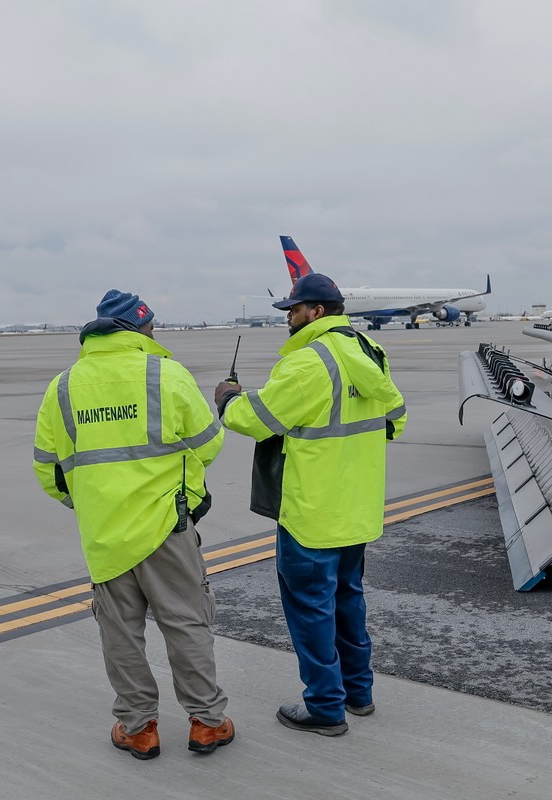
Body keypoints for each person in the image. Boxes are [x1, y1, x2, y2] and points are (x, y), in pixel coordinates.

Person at [33, 289, 234, 760]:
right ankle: (207, 722)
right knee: (186, 623)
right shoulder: (164, 373)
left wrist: (91, 503)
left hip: (104, 535)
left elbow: (48, 470)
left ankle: (139, 728)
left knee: (120, 634)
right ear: (140, 329)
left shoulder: (62, 387)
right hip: (167, 524)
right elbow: (209, 444)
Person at [214, 273, 406, 737]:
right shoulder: (368, 353)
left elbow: (259, 421)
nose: (288, 318)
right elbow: (394, 420)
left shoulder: (307, 362)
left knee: (310, 609)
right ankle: (359, 694)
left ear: (316, 312)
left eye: (293, 310)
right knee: (348, 601)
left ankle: (324, 706)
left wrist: (227, 400)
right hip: (356, 508)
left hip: (310, 512)